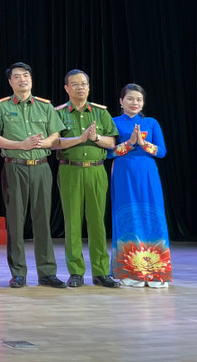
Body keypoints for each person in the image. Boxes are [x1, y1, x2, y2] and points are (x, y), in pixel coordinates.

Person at [0, 62, 66, 289]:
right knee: (15, 220)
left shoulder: (45, 106)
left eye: (26, 75)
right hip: (14, 166)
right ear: (10, 82)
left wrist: (42, 143)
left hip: (41, 166)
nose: (23, 79)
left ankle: (47, 272)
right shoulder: (0, 107)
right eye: (17, 76)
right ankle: (18, 273)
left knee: (43, 220)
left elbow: (56, 138)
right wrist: (20, 145)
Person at [54, 69, 120, 288]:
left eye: (84, 84)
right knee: (72, 222)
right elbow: (54, 143)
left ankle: (101, 272)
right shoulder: (59, 113)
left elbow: (111, 143)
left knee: (97, 222)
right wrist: (81, 138)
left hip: (96, 170)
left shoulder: (101, 113)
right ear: (66, 88)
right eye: (75, 84)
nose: (80, 87)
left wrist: (95, 137)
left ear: (89, 87)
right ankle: (76, 272)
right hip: (70, 170)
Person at [108, 83, 171, 288]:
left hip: (147, 174)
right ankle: (129, 271)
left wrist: (144, 144)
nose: (135, 103)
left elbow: (162, 152)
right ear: (121, 101)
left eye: (139, 99)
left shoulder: (151, 123)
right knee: (128, 217)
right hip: (124, 174)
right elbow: (108, 153)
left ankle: (156, 272)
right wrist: (129, 144)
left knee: (152, 217)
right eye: (130, 98)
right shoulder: (113, 122)